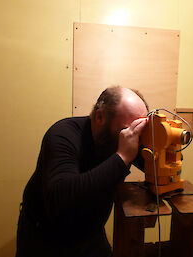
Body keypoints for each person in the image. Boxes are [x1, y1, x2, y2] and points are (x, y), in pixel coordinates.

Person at [16, 86, 149, 257]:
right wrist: (122, 157)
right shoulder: (63, 135)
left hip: (91, 235)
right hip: (45, 237)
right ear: (100, 116)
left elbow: (157, 166)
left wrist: (158, 140)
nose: (131, 138)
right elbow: (60, 198)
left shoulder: (123, 136)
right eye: (127, 131)